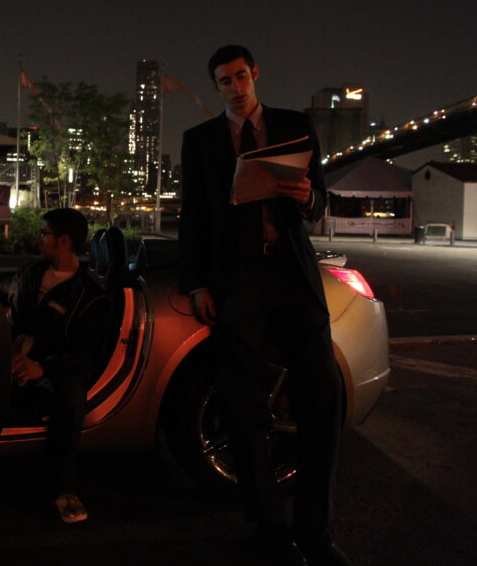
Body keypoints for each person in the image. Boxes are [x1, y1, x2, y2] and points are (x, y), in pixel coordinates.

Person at [177, 45, 350, 566]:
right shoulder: (201, 141)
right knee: (245, 407)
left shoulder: (295, 125)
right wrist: (197, 285)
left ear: (255, 75)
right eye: (224, 81)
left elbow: (319, 202)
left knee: (322, 400)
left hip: (293, 277)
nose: (235, 86)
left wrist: (305, 198)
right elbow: (194, 217)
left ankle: (315, 530)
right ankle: (271, 530)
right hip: (238, 283)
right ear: (217, 88)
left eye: (240, 76)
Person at [0, 208, 110, 528]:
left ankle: (63, 490)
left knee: (72, 393)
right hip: (11, 366)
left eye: (43, 233)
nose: (38, 238)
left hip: (51, 376)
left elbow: (88, 355)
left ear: (63, 241)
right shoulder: (30, 275)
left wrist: (42, 368)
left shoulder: (91, 297)